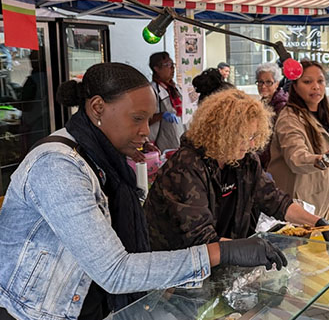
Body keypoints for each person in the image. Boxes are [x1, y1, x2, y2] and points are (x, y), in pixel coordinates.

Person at [0, 63, 287, 320]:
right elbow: (115, 271)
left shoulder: (106, 161)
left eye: (147, 120)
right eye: (137, 119)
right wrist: (221, 252)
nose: (145, 133)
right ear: (98, 107)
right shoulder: (58, 167)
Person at [144, 88, 329, 250]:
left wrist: (318, 223)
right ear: (221, 133)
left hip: (219, 255)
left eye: (255, 136)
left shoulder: (245, 161)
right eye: (245, 137)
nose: (251, 144)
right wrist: (252, 249)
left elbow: (274, 200)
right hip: (174, 266)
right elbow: (200, 238)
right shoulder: (186, 167)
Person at [268, 60, 329, 219]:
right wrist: (326, 160)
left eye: (320, 81)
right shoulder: (289, 118)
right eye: (307, 82)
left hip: (319, 200)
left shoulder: (321, 114)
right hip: (298, 205)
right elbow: (297, 159)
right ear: (295, 86)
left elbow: (324, 147)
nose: (316, 86)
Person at [148, 52, 185, 152]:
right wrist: (162, 115)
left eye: (173, 65)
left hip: (181, 135)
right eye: (168, 65)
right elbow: (144, 119)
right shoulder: (151, 90)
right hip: (163, 142)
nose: (172, 69)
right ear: (156, 68)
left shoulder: (176, 88)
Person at [255, 62, 288, 170]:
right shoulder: (263, 102)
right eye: (260, 82)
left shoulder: (282, 105)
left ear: (277, 83)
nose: (263, 86)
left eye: (269, 82)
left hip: (274, 161)